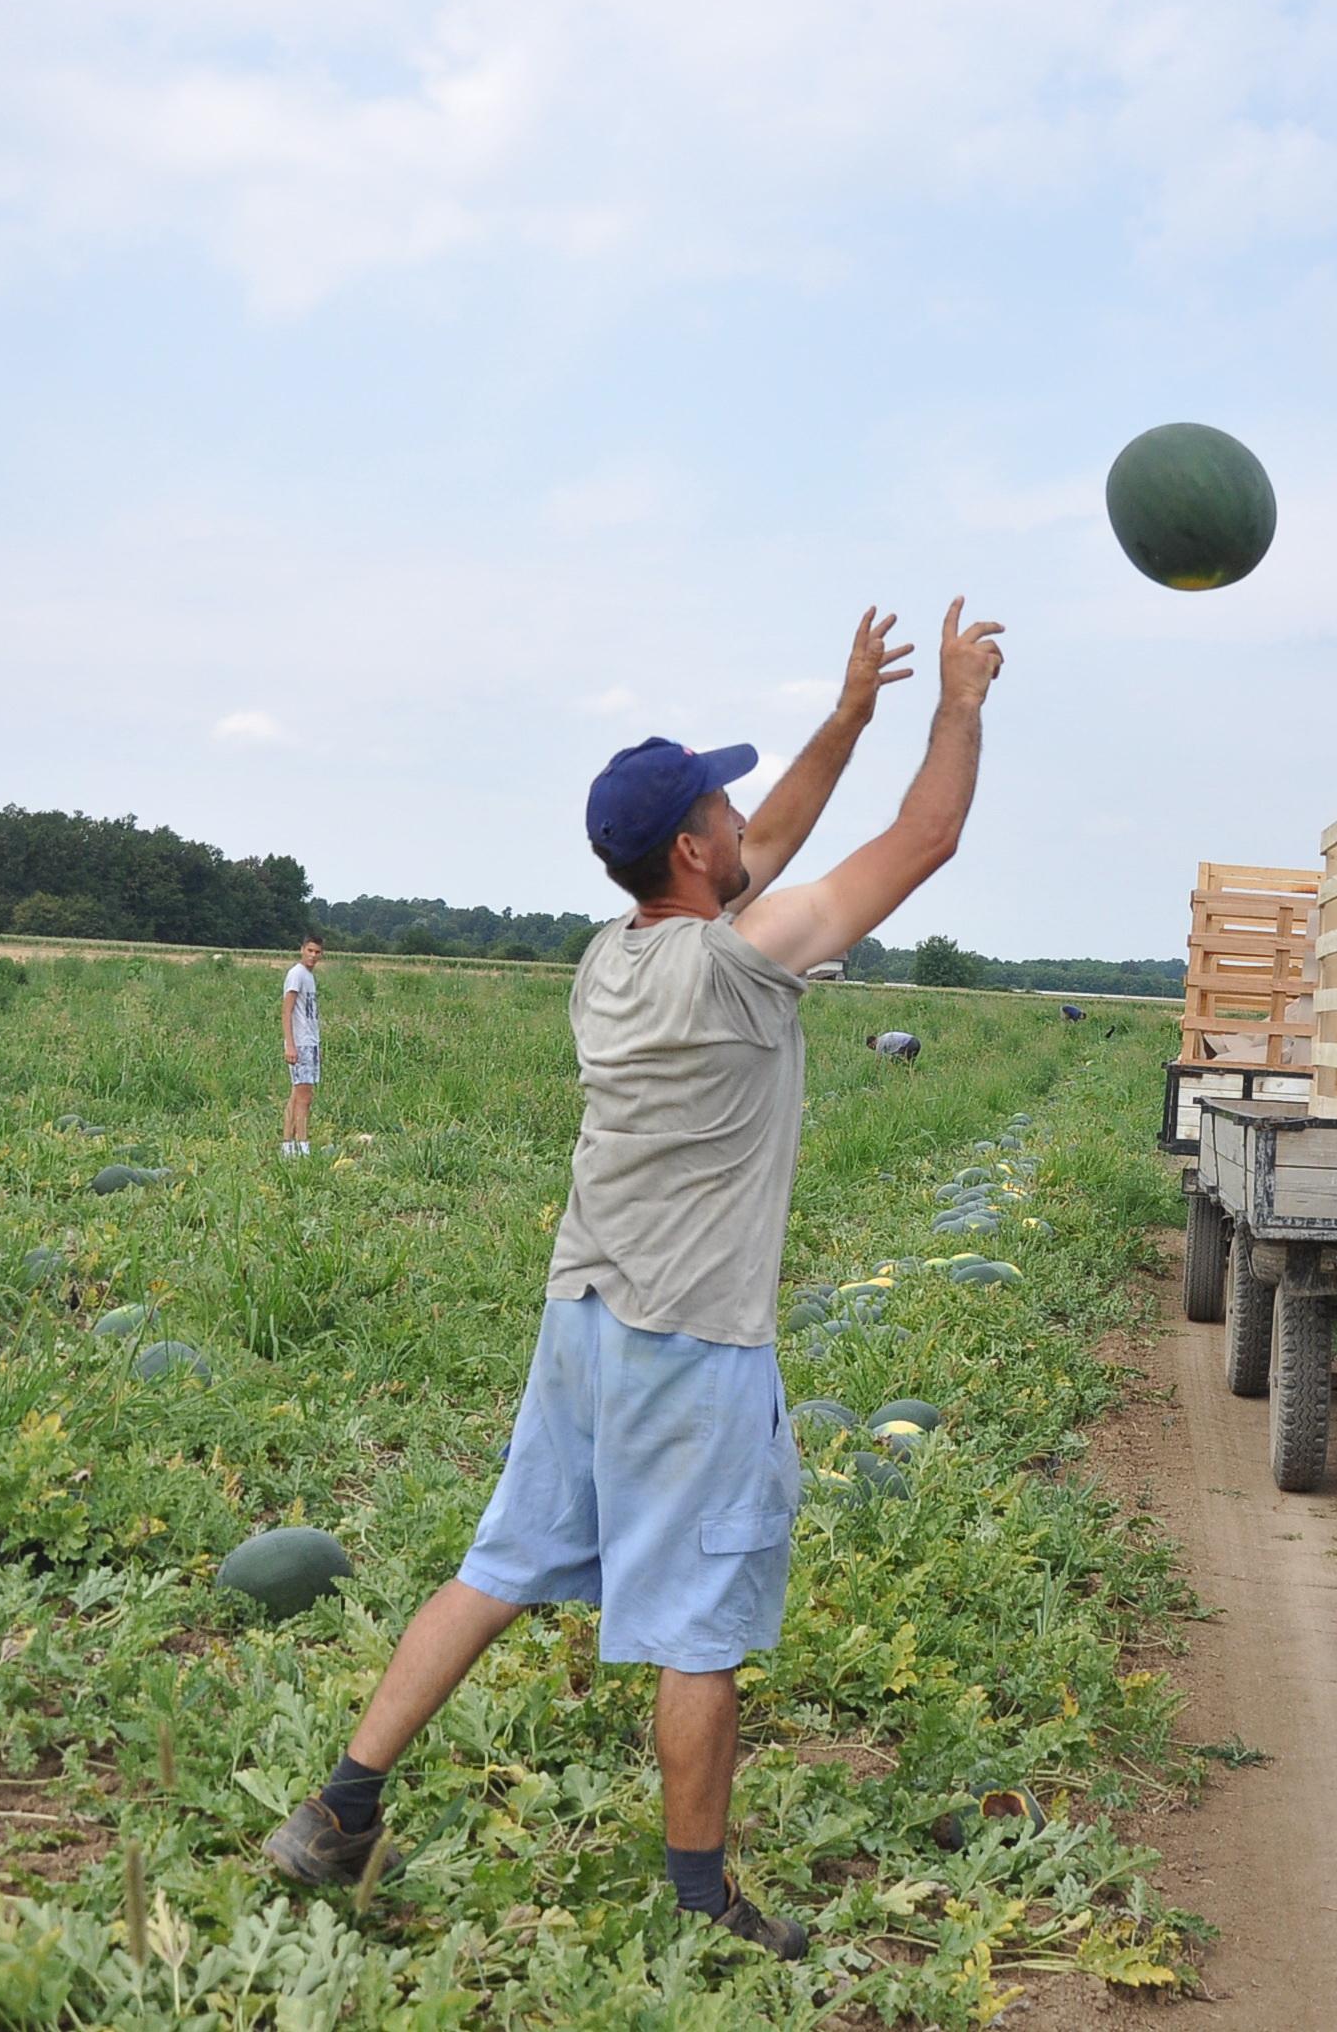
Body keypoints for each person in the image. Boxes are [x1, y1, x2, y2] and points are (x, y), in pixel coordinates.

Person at [265, 601, 1004, 1960]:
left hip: (583, 1321)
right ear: (691, 848)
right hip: (691, 1344)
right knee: (700, 1626)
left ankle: (336, 1811)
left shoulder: (611, 960)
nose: (742, 817)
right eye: (723, 806)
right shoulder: (739, 962)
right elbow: (923, 844)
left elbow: (771, 846)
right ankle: (703, 1907)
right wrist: (957, 704)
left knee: (498, 1567)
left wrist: (850, 713)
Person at [279, 935, 323, 1158]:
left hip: (310, 1041)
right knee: (305, 1097)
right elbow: (286, 1011)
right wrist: (291, 1045)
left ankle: (287, 1147)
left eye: (317, 952)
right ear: (302, 950)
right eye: (310, 951)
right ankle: (302, 1146)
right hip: (300, 1042)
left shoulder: (309, 976)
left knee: (297, 1095)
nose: (313, 956)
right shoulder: (296, 974)